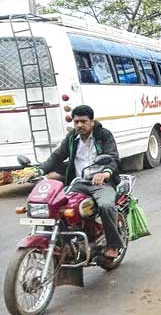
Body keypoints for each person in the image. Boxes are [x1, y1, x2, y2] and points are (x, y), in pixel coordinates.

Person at [38, 105, 122, 258]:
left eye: (83, 121)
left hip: (102, 183)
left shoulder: (104, 135)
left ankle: (113, 245)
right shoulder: (71, 138)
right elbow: (57, 156)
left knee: (106, 205)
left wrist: (105, 172)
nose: (79, 125)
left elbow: (113, 157)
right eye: (76, 122)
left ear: (92, 121)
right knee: (57, 206)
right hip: (78, 183)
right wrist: (40, 170)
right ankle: (66, 243)